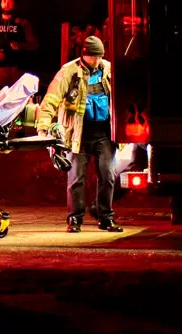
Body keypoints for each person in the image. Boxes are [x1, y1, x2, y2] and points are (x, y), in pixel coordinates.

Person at [38, 36, 123, 233]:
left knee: (108, 176)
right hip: (78, 134)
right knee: (76, 178)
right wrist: (44, 126)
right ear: (83, 54)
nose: (96, 60)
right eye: (93, 56)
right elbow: (51, 98)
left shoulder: (109, 69)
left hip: (105, 133)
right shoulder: (69, 71)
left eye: (99, 56)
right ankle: (75, 219)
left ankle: (106, 218)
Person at [0, 0, 39, 91]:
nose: (7, 4)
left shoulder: (23, 24)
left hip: (18, 71)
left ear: (15, 4)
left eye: (10, 1)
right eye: (4, 1)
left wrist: (20, 46)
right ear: (0, 4)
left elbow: (35, 45)